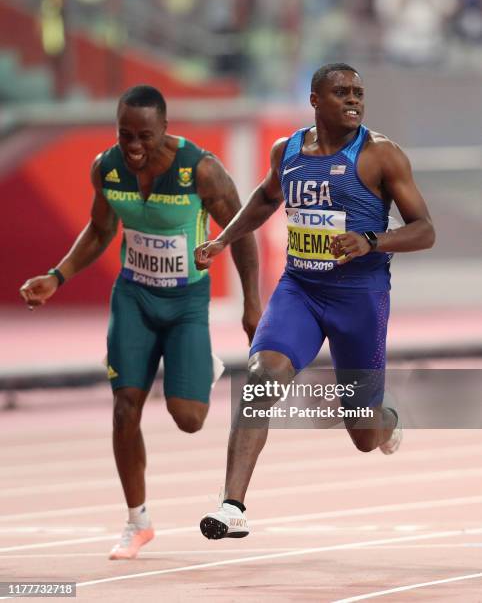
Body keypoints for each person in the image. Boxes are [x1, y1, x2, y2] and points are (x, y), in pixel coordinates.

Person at [19, 85, 261, 558]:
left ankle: (197, 363)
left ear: (166, 130)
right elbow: (101, 229)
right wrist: (57, 276)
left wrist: (253, 303)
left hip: (187, 302)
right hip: (133, 298)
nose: (133, 146)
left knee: (189, 419)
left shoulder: (202, 171)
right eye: (124, 134)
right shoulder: (106, 168)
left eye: (144, 136)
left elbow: (243, 232)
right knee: (124, 407)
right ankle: (138, 521)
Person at [195, 63, 435, 539]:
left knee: (363, 434)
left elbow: (425, 229)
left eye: (359, 93)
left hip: (359, 299)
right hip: (299, 290)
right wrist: (224, 239)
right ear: (315, 100)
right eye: (341, 91)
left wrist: (372, 240)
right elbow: (266, 198)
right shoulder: (287, 151)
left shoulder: (381, 155)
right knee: (260, 380)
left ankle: (385, 418)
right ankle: (231, 505)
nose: (353, 100)